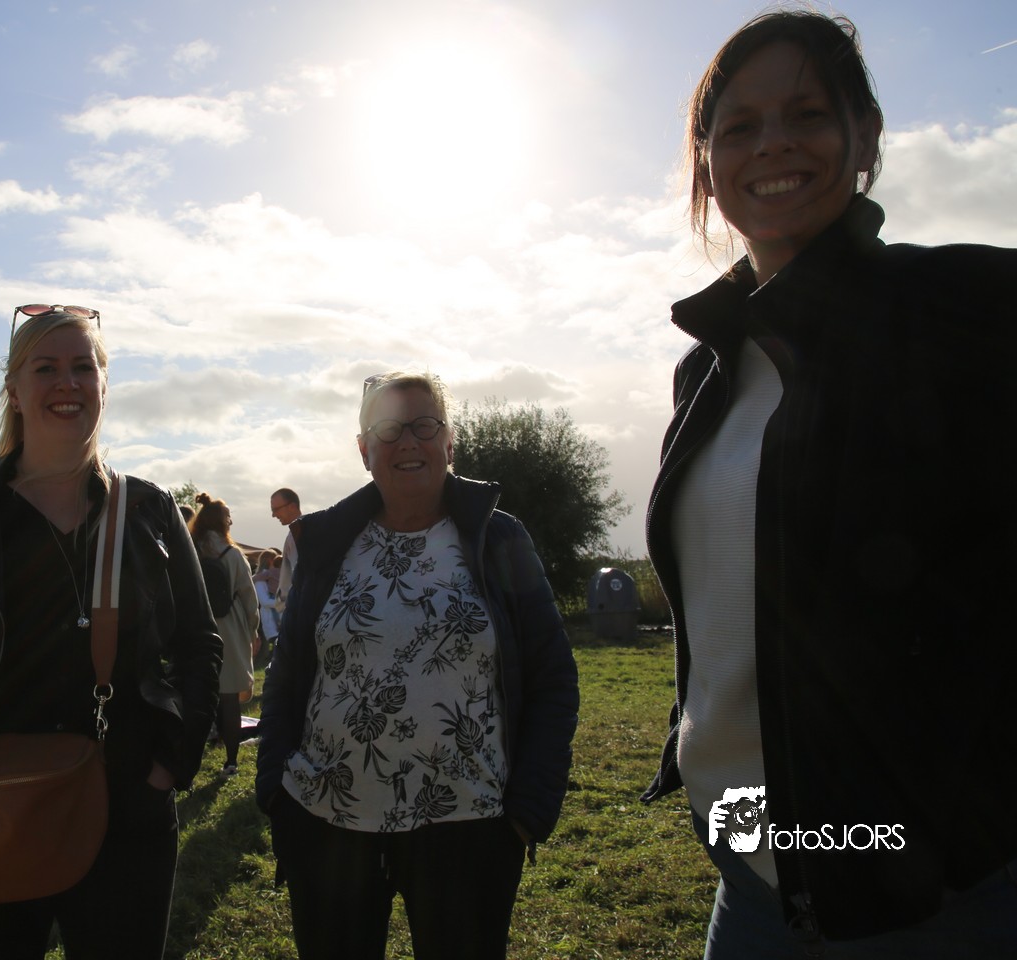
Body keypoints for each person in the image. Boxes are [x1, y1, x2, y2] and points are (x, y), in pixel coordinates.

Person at [643, 11, 1017, 957]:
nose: (772, 143)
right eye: (739, 126)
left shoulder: (971, 310)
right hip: (751, 871)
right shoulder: (708, 368)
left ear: (866, 136)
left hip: (930, 898)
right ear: (707, 163)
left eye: (806, 114)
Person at [0, 305, 222, 960]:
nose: (67, 383)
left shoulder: (147, 510)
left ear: (104, 385)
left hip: (127, 809)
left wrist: (170, 764)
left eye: (83, 367)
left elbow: (199, 645)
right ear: (14, 389)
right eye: (46, 368)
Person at [256, 371, 579, 960]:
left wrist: (526, 815)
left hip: (470, 828)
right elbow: (287, 674)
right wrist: (276, 792)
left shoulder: (498, 539)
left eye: (425, 425)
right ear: (364, 450)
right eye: (389, 428)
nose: (408, 441)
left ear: (450, 443)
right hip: (327, 823)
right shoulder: (325, 542)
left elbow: (552, 676)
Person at [189, 492, 261, 779]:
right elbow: (249, 598)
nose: (231, 520)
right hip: (229, 628)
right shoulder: (233, 555)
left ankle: (190, 761)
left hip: (197, 628)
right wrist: (253, 630)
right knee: (229, 697)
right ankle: (230, 762)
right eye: (229, 516)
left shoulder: (191, 551)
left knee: (198, 695)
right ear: (222, 522)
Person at [269, 487, 301, 601]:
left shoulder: (299, 533)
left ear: (292, 506)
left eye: (276, 509)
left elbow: (298, 574)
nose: (273, 515)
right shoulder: (294, 533)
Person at [252, 548, 282, 657]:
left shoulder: (272, 577)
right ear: (270, 561)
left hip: (279, 623)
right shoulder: (260, 580)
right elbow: (264, 601)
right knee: (274, 654)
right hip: (271, 624)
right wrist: (283, 603)